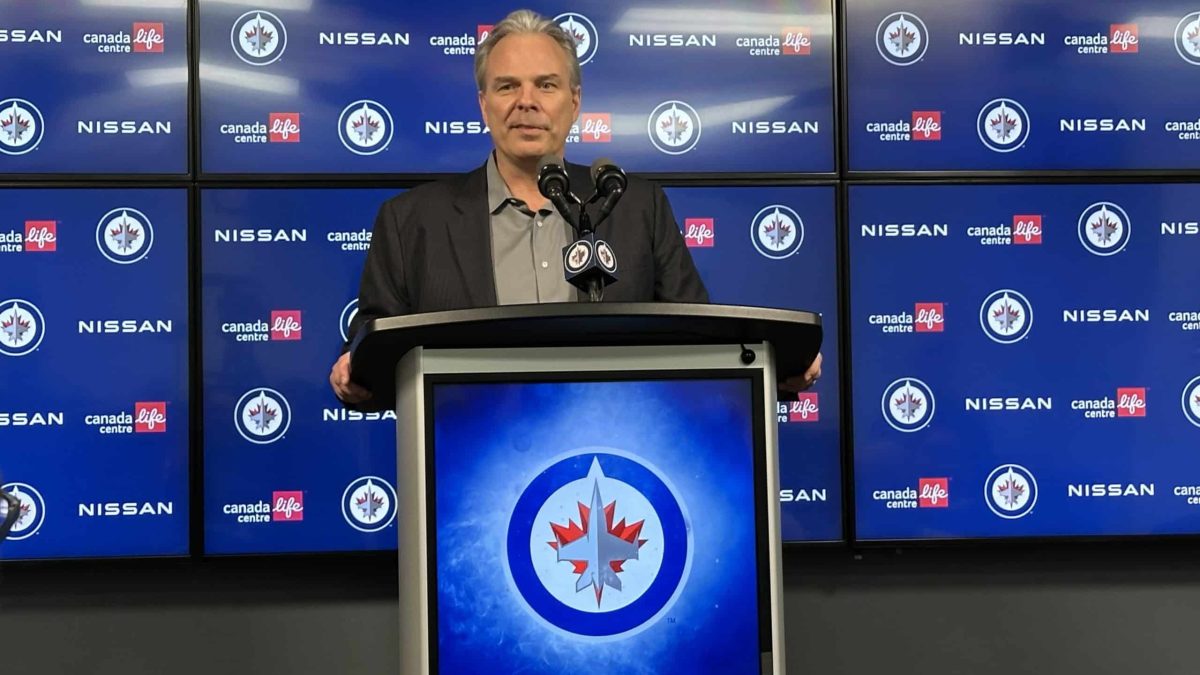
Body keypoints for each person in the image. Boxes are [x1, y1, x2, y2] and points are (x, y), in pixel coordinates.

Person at [330, 9, 820, 403]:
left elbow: (703, 340)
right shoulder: (411, 221)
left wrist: (774, 372)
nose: (526, 102)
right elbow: (372, 354)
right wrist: (355, 372)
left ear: (575, 101)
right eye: (507, 86)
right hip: (468, 461)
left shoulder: (636, 206)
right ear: (483, 104)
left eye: (546, 85)